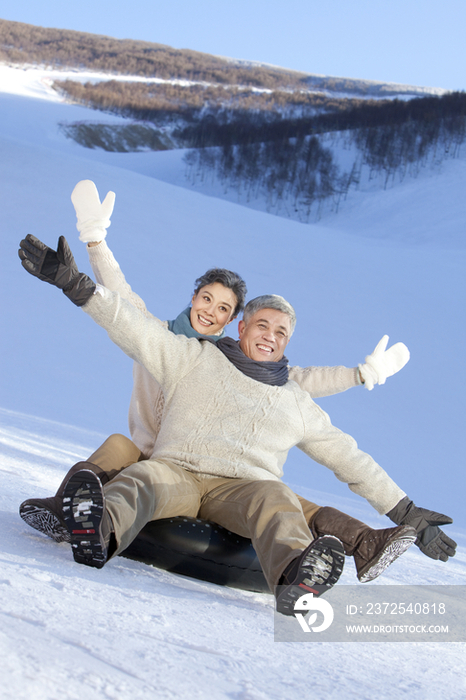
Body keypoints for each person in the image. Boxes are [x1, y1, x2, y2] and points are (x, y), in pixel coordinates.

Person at [18, 234, 456, 616]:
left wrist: (406, 511)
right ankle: (95, 529)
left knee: (277, 497)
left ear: (288, 342)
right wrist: (76, 285)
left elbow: (349, 459)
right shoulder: (194, 357)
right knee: (143, 477)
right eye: (262, 325)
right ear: (241, 326)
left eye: (281, 332)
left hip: (242, 490)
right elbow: (132, 326)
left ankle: (295, 580)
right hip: (179, 472)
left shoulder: (295, 400)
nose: (270, 335)